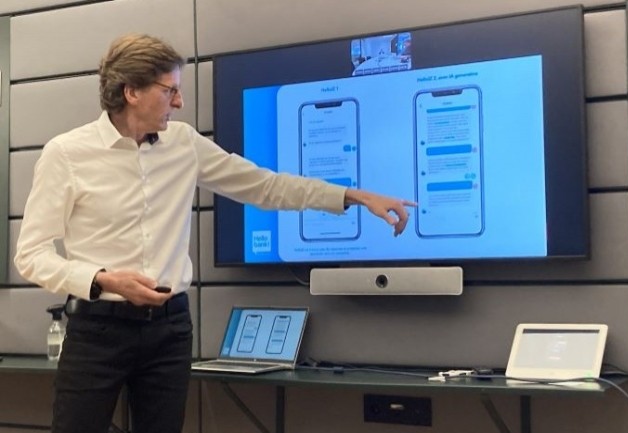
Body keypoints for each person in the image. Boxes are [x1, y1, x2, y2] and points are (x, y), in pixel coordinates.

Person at [14, 33, 414, 433]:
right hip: (98, 328)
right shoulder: (67, 154)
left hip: (169, 329)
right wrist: (102, 279)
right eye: (169, 90)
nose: (179, 103)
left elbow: (265, 187)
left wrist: (353, 196)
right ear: (131, 91)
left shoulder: (184, 143)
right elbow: (31, 255)